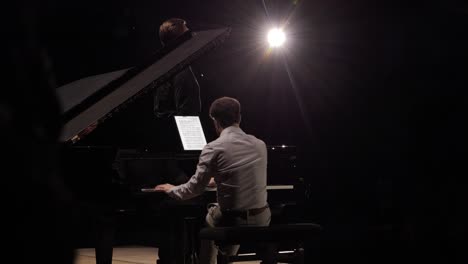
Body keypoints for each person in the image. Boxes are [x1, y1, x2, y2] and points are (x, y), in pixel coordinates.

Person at [155, 96, 271, 264]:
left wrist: (171, 189)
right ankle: (228, 256)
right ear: (239, 117)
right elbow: (243, 173)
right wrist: (219, 179)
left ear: (215, 121)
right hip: (262, 218)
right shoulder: (260, 144)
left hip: (234, 220)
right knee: (234, 208)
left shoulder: (214, 147)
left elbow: (194, 189)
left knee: (211, 218)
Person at [154, 18, 202, 118]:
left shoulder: (169, 67)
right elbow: (187, 113)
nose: (192, 35)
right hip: (189, 130)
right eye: (187, 33)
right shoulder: (179, 69)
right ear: (179, 40)